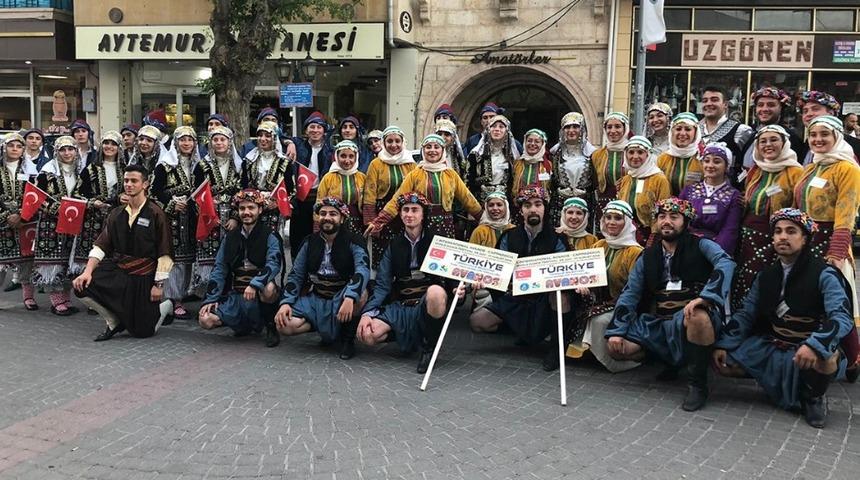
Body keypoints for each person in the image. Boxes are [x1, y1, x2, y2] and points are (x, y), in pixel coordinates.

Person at [715, 209, 854, 428]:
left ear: (804, 238)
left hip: (807, 347)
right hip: (774, 344)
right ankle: (784, 381)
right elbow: (746, 314)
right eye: (778, 231)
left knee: (826, 360)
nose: (783, 237)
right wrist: (724, 343)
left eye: (791, 231)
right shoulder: (766, 275)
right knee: (723, 365)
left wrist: (815, 345)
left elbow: (841, 317)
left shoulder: (824, 274)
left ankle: (812, 397)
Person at [605, 198, 735, 411]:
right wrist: (617, 331)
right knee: (618, 349)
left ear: (685, 221)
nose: (667, 221)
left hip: (689, 317)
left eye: (674, 217)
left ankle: (698, 384)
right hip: (660, 322)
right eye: (662, 217)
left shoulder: (701, 244)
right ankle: (670, 361)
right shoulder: (648, 255)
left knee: (698, 317)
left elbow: (726, 262)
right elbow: (630, 293)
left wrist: (707, 297)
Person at [469, 186, 570, 371]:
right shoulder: (510, 236)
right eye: (527, 205)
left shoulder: (557, 238)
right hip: (517, 297)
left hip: (544, 300)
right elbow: (499, 269)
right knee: (478, 322)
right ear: (521, 210)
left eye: (538, 204)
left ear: (544, 208)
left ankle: (556, 349)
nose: (533, 209)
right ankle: (520, 330)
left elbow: (563, 274)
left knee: (560, 297)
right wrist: (482, 277)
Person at [358, 192, 458, 373]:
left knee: (436, 292)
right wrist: (367, 313)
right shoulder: (393, 245)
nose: (409, 214)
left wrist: (459, 288)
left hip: (427, 303)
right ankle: (409, 336)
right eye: (405, 210)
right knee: (368, 335)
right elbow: (382, 284)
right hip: (402, 305)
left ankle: (428, 348)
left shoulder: (438, 242)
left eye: (414, 210)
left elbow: (453, 277)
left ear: (423, 214)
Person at [73, 164, 174, 341]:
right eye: (126, 180)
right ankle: (113, 321)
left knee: (143, 332)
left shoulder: (156, 213)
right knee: (82, 287)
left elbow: (164, 252)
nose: (129, 184)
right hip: (119, 270)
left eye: (134, 181)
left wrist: (158, 286)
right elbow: (101, 245)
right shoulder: (116, 214)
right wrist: (87, 272)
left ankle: (165, 305)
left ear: (145, 184)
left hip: (144, 276)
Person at [275, 197, 370, 359]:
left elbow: (362, 270)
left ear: (342, 218)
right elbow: (296, 275)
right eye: (323, 213)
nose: (327, 217)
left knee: (360, 296)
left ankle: (347, 340)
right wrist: (285, 303)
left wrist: (349, 297)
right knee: (284, 325)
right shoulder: (309, 241)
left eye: (333, 214)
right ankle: (322, 326)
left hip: (341, 295)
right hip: (317, 297)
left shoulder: (354, 240)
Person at [793, 115, 860, 323]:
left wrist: (837, 252)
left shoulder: (848, 169)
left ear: (837, 137)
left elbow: (846, 213)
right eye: (813, 135)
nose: (817, 139)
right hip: (805, 243)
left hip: (830, 244)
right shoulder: (811, 168)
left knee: (831, 303)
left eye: (824, 134)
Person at [198, 189, 283, 347]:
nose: (246, 212)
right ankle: (242, 325)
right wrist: (210, 299)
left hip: (258, 293)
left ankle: (270, 326)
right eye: (242, 209)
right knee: (205, 319)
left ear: (260, 210)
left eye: (251, 208)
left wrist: (255, 284)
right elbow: (219, 268)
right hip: (237, 295)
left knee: (269, 289)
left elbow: (274, 264)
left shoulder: (270, 235)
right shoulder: (230, 237)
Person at [732, 125, 803, 311]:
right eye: (763, 141)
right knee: (746, 278)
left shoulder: (795, 172)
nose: (768, 145)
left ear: (784, 143)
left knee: (770, 280)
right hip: (748, 237)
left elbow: (798, 208)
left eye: (774, 140)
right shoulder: (755, 170)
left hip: (776, 236)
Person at [567, 200, 643, 372]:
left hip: (623, 304)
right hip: (598, 300)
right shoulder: (599, 245)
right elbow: (584, 272)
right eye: (608, 217)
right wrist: (583, 285)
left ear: (627, 223)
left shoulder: (635, 252)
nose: (611, 222)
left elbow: (635, 289)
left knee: (598, 319)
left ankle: (612, 363)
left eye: (617, 218)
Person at [366, 134, 482, 239]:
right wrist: (379, 221)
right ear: (423, 150)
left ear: (442, 151)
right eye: (428, 147)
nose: (432, 150)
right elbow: (397, 199)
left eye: (436, 147)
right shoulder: (415, 174)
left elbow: (467, 199)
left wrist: (484, 218)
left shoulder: (451, 174)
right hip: (421, 226)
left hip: (445, 227)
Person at [151, 126, 199, 322]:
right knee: (171, 259)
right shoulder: (164, 166)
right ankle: (169, 299)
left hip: (191, 220)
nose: (186, 143)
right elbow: (154, 193)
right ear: (176, 143)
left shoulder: (199, 165)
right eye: (182, 140)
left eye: (190, 139)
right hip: (170, 220)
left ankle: (179, 297)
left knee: (187, 260)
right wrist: (171, 205)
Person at [33, 136, 84, 316]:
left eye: (70, 149)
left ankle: (66, 298)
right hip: (51, 222)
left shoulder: (81, 170)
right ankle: (56, 300)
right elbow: (38, 197)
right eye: (63, 150)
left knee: (69, 260)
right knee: (54, 261)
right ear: (57, 152)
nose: (67, 153)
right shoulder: (47, 171)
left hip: (73, 221)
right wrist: (58, 209)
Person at [191, 125, 243, 295]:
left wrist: (235, 217)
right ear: (210, 143)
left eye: (223, 139)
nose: (219, 143)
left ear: (230, 142)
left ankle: (229, 292)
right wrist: (209, 214)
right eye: (215, 139)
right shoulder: (202, 165)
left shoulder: (239, 165)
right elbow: (196, 193)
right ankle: (210, 294)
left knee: (232, 254)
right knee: (209, 256)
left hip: (233, 216)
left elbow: (244, 192)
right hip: (210, 216)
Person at [362, 126, 416, 269]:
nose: (393, 145)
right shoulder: (376, 164)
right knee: (382, 251)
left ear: (403, 142)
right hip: (382, 213)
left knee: (403, 250)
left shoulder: (411, 163)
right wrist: (371, 221)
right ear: (384, 143)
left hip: (404, 213)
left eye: (397, 141)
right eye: (389, 141)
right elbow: (369, 192)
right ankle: (381, 284)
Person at [75, 131, 126, 284]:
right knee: (93, 257)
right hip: (93, 220)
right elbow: (77, 193)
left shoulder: (125, 169)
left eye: (113, 144)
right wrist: (91, 202)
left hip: (117, 217)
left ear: (119, 147)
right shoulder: (91, 169)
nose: (109, 147)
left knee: (114, 258)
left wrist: (124, 197)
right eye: (106, 143)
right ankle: (91, 294)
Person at [679, 143, 744, 255]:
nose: (710, 165)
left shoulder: (733, 195)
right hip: (686, 247)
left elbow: (730, 230)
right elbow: (679, 220)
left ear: (726, 166)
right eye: (706, 160)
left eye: (717, 161)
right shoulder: (689, 190)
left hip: (715, 251)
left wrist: (714, 254)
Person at [285, 111, 333, 257]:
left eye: (319, 127)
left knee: (318, 237)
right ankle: (297, 271)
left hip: (320, 198)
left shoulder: (331, 150)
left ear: (324, 131)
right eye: (312, 127)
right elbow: (278, 134)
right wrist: (290, 143)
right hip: (300, 199)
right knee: (298, 238)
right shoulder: (298, 145)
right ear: (306, 130)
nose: (315, 130)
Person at [0, 133, 38, 310]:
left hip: (25, 220)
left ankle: (28, 297)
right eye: (11, 145)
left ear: (23, 150)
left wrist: (23, 215)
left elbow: (35, 195)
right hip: (2, 220)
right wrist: (7, 215)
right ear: (4, 148)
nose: (15, 149)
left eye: (18, 146)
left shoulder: (31, 170)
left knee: (26, 260)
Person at [616, 136, 671, 245]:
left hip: (650, 236)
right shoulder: (626, 179)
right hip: (626, 235)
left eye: (640, 152)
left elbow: (664, 211)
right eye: (631, 152)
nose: (635, 157)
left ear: (648, 155)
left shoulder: (659, 179)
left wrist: (655, 236)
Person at [241, 121, 293, 233]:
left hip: (274, 208)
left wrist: (278, 203)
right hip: (252, 207)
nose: (263, 139)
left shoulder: (283, 161)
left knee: (273, 239)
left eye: (268, 136)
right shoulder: (249, 159)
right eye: (260, 135)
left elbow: (290, 189)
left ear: (275, 138)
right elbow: (243, 184)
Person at [741, 87, 806, 170]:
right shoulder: (752, 134)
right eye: (760, 105)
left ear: (781, 108)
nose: (764, 109)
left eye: (771, 105)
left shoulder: (791, 138)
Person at [549, 112, 596, 226]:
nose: (571, 130)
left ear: (582, 129)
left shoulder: (592, 154)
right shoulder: (554, 153)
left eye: (575, 126)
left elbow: (596, 181)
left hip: (584, 203)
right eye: (567, 127)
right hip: (560, 203)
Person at [316, 140, 366, 236]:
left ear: (356, 157)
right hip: (333, 221)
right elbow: (319, 203)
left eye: (351, 156)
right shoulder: (328, 177)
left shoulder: (362, 177)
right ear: (336, 157)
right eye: (343, 156)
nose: (347, 161)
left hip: (357, 222)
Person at [466, 114, 519, 202]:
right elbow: (468, 181)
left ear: (506, 131)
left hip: (504, 203)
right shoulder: (476, 154)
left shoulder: (511, 156)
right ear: (488, 130)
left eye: (501, 127)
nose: (497, 129)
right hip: (480, 203)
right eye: (493, 126)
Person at [797, 91, 860, 163]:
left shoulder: (856, 146)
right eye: (805, 111)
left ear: (831, 113)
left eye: (815, 109)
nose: (809, 114)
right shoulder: (806, 145)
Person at [591, 112, 630, 223]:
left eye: (617, 126)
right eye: (609, 127)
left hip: (626, 203)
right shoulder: (597, 155)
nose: (613, 131)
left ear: (625, 128)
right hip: (604, 204)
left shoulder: (632, 152)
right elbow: (594, 181)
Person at [698, 86, 753, 161]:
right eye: (705, 101)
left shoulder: (740, 131)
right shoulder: (692, 129)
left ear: (725, 104)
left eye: (714, 100)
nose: (708, 103)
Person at [658, 112, 703, 195]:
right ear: (672, 132)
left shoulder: (702, 158)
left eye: (688, 129)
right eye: (678, 129)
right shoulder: (662, 159)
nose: (682, 133)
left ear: (696, 132)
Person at [511, 129, 552, 194]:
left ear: (542, 144)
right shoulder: (517, 163)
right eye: (529, 141)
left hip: (540, 203)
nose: (532, 144)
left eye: (537, 141)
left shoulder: (548, 165)